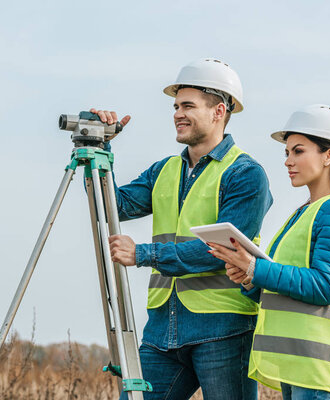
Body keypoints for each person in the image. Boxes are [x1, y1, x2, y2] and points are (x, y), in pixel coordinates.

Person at [95, 58, 272, 399]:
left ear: (219, 111)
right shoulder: (164, 170)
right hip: (162, 329)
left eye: (188, 105)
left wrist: (143, 254)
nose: (177, 113)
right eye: (176, 106)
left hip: (223, 328)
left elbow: (221, 251)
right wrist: (100, 148)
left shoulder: (245, 174)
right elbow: (110, 207)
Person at [207, 104, 330, 400]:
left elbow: (325, 286)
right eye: (287, 153)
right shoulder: (305, 213)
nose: (287, 161)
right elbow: (287, 286)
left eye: (298, 151)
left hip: (319, 370)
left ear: (329, 155)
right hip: (299, 365)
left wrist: (256, 268)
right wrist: (248, 278)